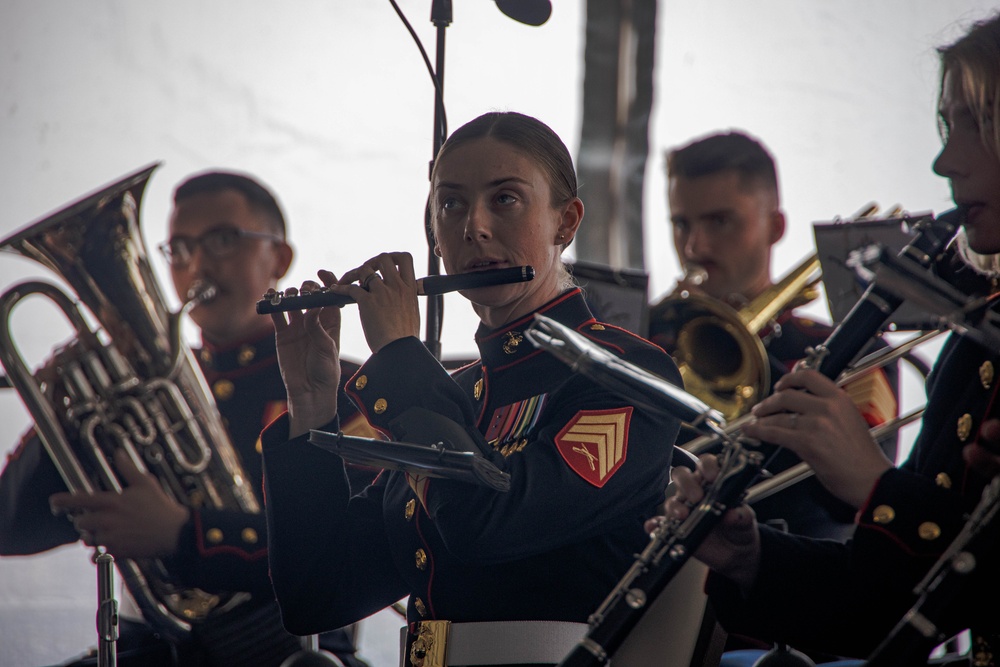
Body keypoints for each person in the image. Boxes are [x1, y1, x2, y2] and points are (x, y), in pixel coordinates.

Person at [259, 111, 684, 666]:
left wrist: (396, 358)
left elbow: (490, 526)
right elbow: (319, 593)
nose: (473, 227)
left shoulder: (627, 372)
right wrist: (312, 405)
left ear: (566, 222)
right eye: (451, 203)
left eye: (505, 199)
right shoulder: (458, 395)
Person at [662, 12, 1000, 664]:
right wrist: (752, 556)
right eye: (947, 124)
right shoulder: (973, 345)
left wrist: (875, 483)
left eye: (978, 124)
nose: (944, 159)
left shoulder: (943, 339)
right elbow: (885, 600)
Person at [0, 171, 374, 667]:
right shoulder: (129, 390)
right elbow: (13, 529)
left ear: (278, 259)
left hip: (288, 651)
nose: (196, 264)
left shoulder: (349, 391)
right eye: (178, 249)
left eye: (222, 240)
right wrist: (59, 419)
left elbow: (352, 548)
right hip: (148, 649)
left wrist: (184, 533)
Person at [648, 131, 899, 543]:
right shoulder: (648, 340)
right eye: (681, 224)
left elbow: (851, 502)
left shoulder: (854, 350)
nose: (694, 247)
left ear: (775, 226)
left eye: (720, 221)